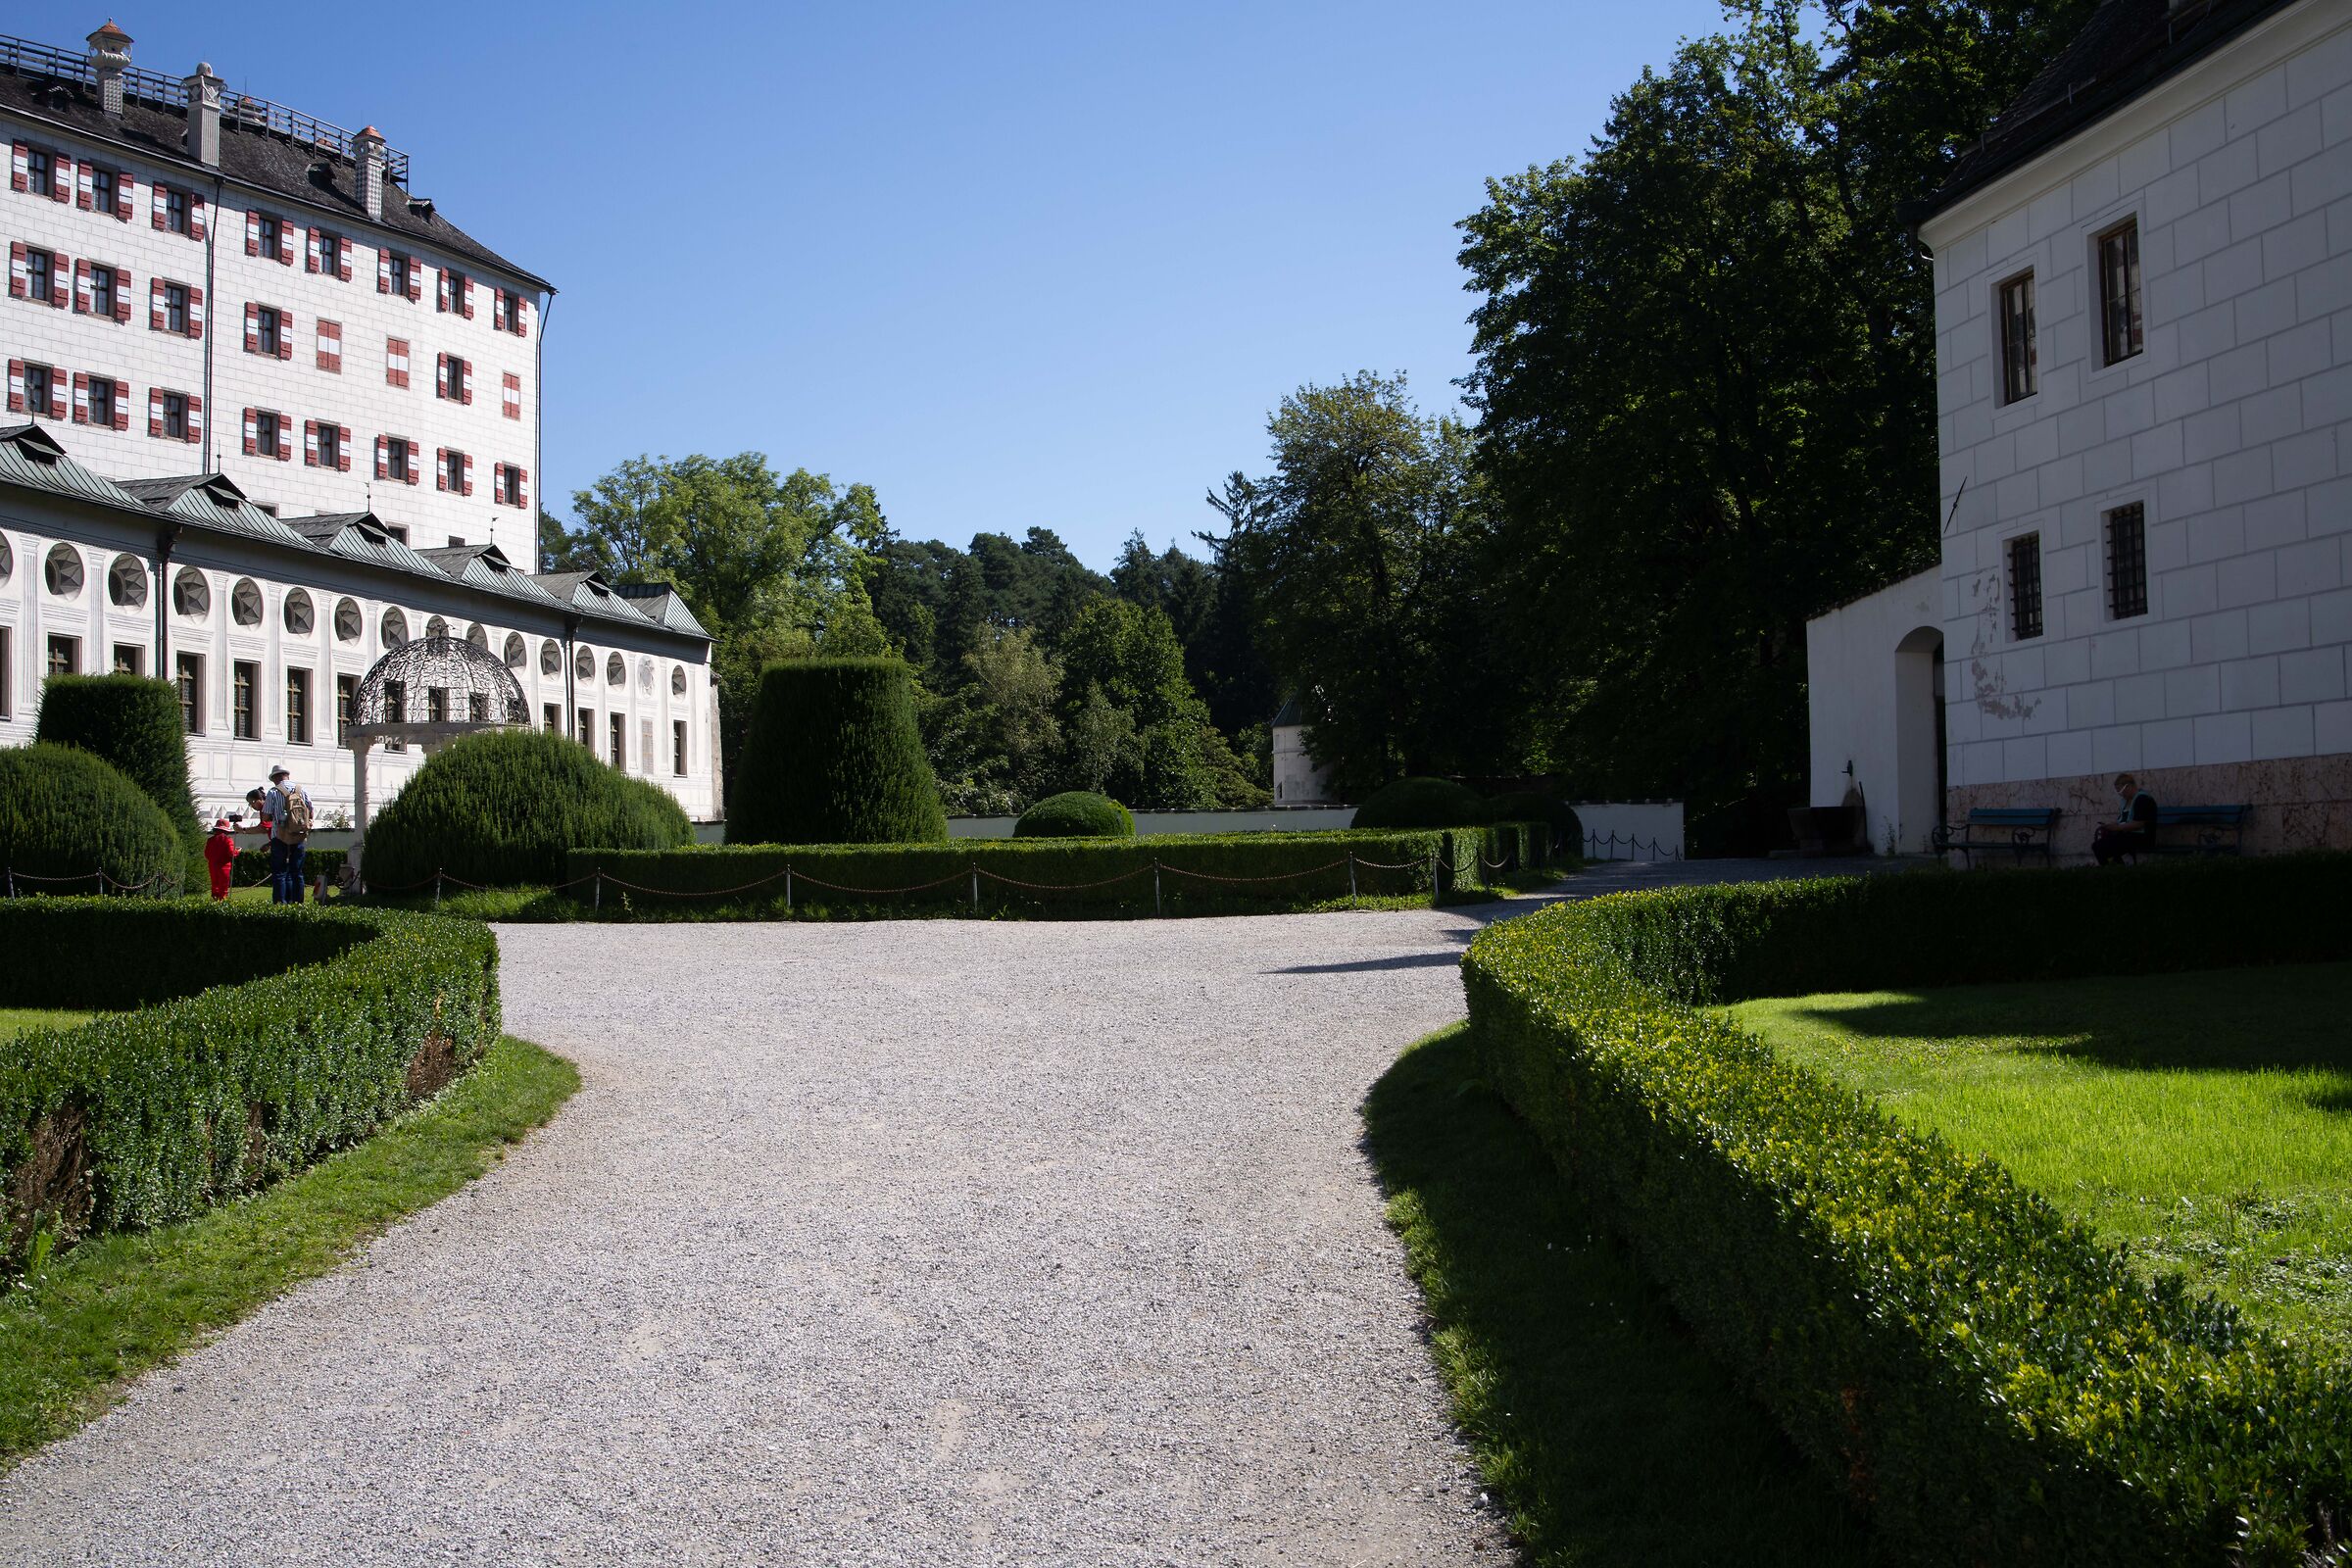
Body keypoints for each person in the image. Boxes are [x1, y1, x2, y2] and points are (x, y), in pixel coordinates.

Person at [265, 764, 314, 905]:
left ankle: (280, 902)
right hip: (299, 835)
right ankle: (297, 902)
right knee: (296, 872)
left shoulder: (273, 792)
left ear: (276, 778)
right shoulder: (301, 790)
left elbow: (266, 816)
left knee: (279, 872)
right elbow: (310, 810)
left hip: (279, 836)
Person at [2092, 772, 2158, 865]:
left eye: (2120, 791)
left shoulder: (2142, 799)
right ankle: (2114, 871)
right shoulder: (2126, 801)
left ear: (2128, 787)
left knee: (2108, 846)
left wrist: (2117, 828)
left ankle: (2117, 871)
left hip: (2142, 837)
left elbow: (2138, 824)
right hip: (2128, 835)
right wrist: (2111, 825)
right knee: (2097, 846)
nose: (2120, 794)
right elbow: (2123, 821)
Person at [203, 816, 238, 902]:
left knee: (215, 885)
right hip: (224, 867)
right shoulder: (228, 840)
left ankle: (214, 901)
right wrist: (237, 851)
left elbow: (206, 854)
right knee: (223, 886)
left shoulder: (210, 840)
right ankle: (223, 902)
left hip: (212, 866)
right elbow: (231, 853)